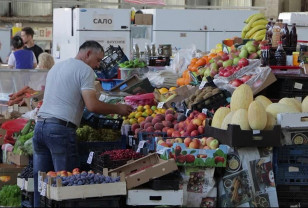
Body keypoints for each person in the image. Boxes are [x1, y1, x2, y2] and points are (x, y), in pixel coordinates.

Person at [32, 40, 133, 207]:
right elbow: (92, 106)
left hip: (40, 127)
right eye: (98, 60)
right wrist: (118, 108)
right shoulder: (85, 70)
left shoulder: (57, 66)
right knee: (68, 187)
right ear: (88, 54)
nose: (98, 65)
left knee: (42, 186)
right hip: (60, 131)